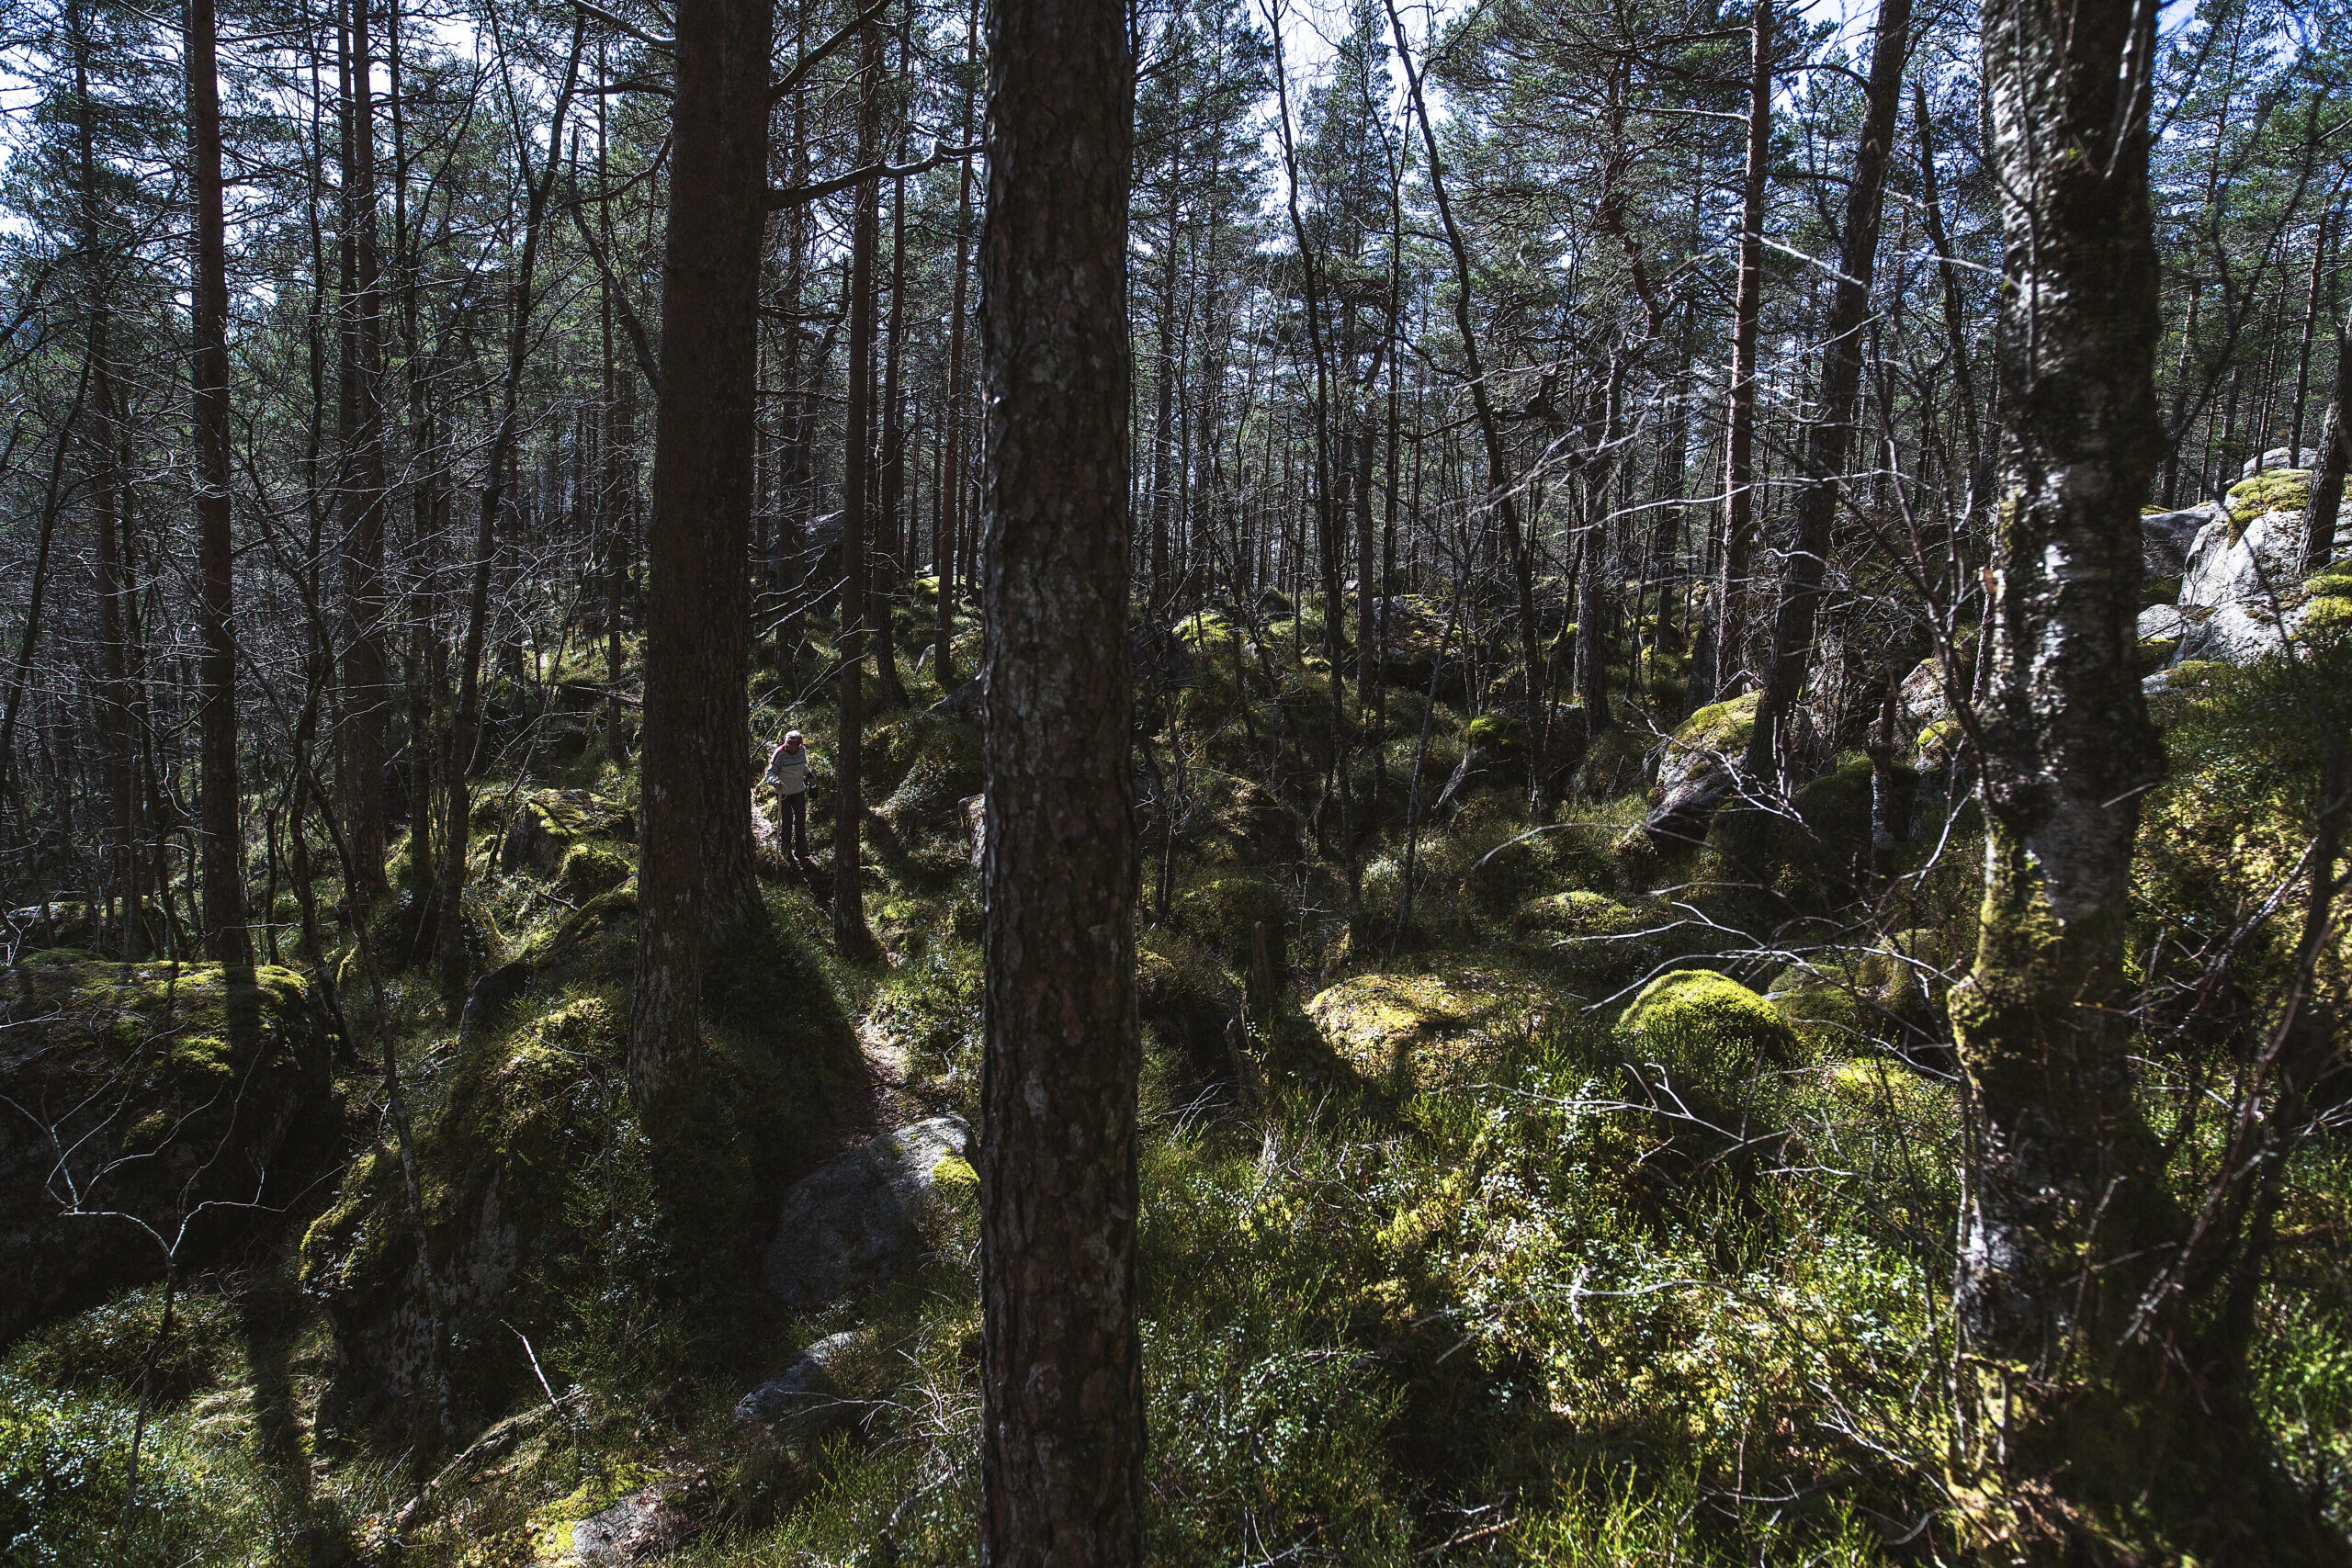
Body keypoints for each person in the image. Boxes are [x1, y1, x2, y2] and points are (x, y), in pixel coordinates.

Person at [764, 730, 811, 860]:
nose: (796, 748)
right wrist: (775, 782)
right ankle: (785, 849)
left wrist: (809, 774)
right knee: (787, 820)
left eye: (798, 745)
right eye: (793, 745)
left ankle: (801, 848)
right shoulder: (779, 754)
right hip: (783, 793)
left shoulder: (802, 751)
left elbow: (803, 766)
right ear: (787, 744)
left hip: (799, 791)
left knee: (801, 819)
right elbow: (770, 773)